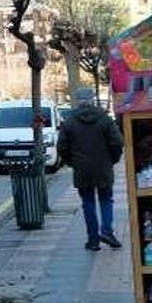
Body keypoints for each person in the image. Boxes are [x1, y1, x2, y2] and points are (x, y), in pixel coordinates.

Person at [57, 87, 124, 251]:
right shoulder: (105, 119)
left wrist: (72, 162)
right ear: (93, 100)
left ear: (77, 101)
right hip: (103, 167)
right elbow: (117, 142)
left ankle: (93, 240)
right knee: (106, 199)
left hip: (82, 169)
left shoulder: (69, 121)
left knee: (88, 203)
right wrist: (112, 159)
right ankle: (107, 231)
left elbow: (62, 147)